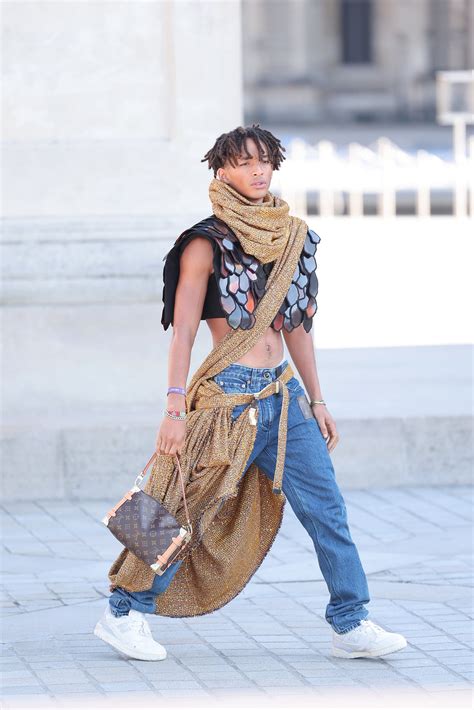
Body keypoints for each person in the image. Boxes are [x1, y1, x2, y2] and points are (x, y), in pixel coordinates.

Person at [94, 124, 407, 662]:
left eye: (265, 161)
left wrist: (318, 399)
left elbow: (297, 325)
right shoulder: (204, 243)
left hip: (284, 397)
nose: (258, 171)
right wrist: (174, 407)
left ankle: (351, 622)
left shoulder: (292, 236)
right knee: (181, 508)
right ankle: (123, 612)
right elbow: (184, 332)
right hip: (228, 400)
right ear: (222, 171)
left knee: (327, 509)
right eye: (244, 162)